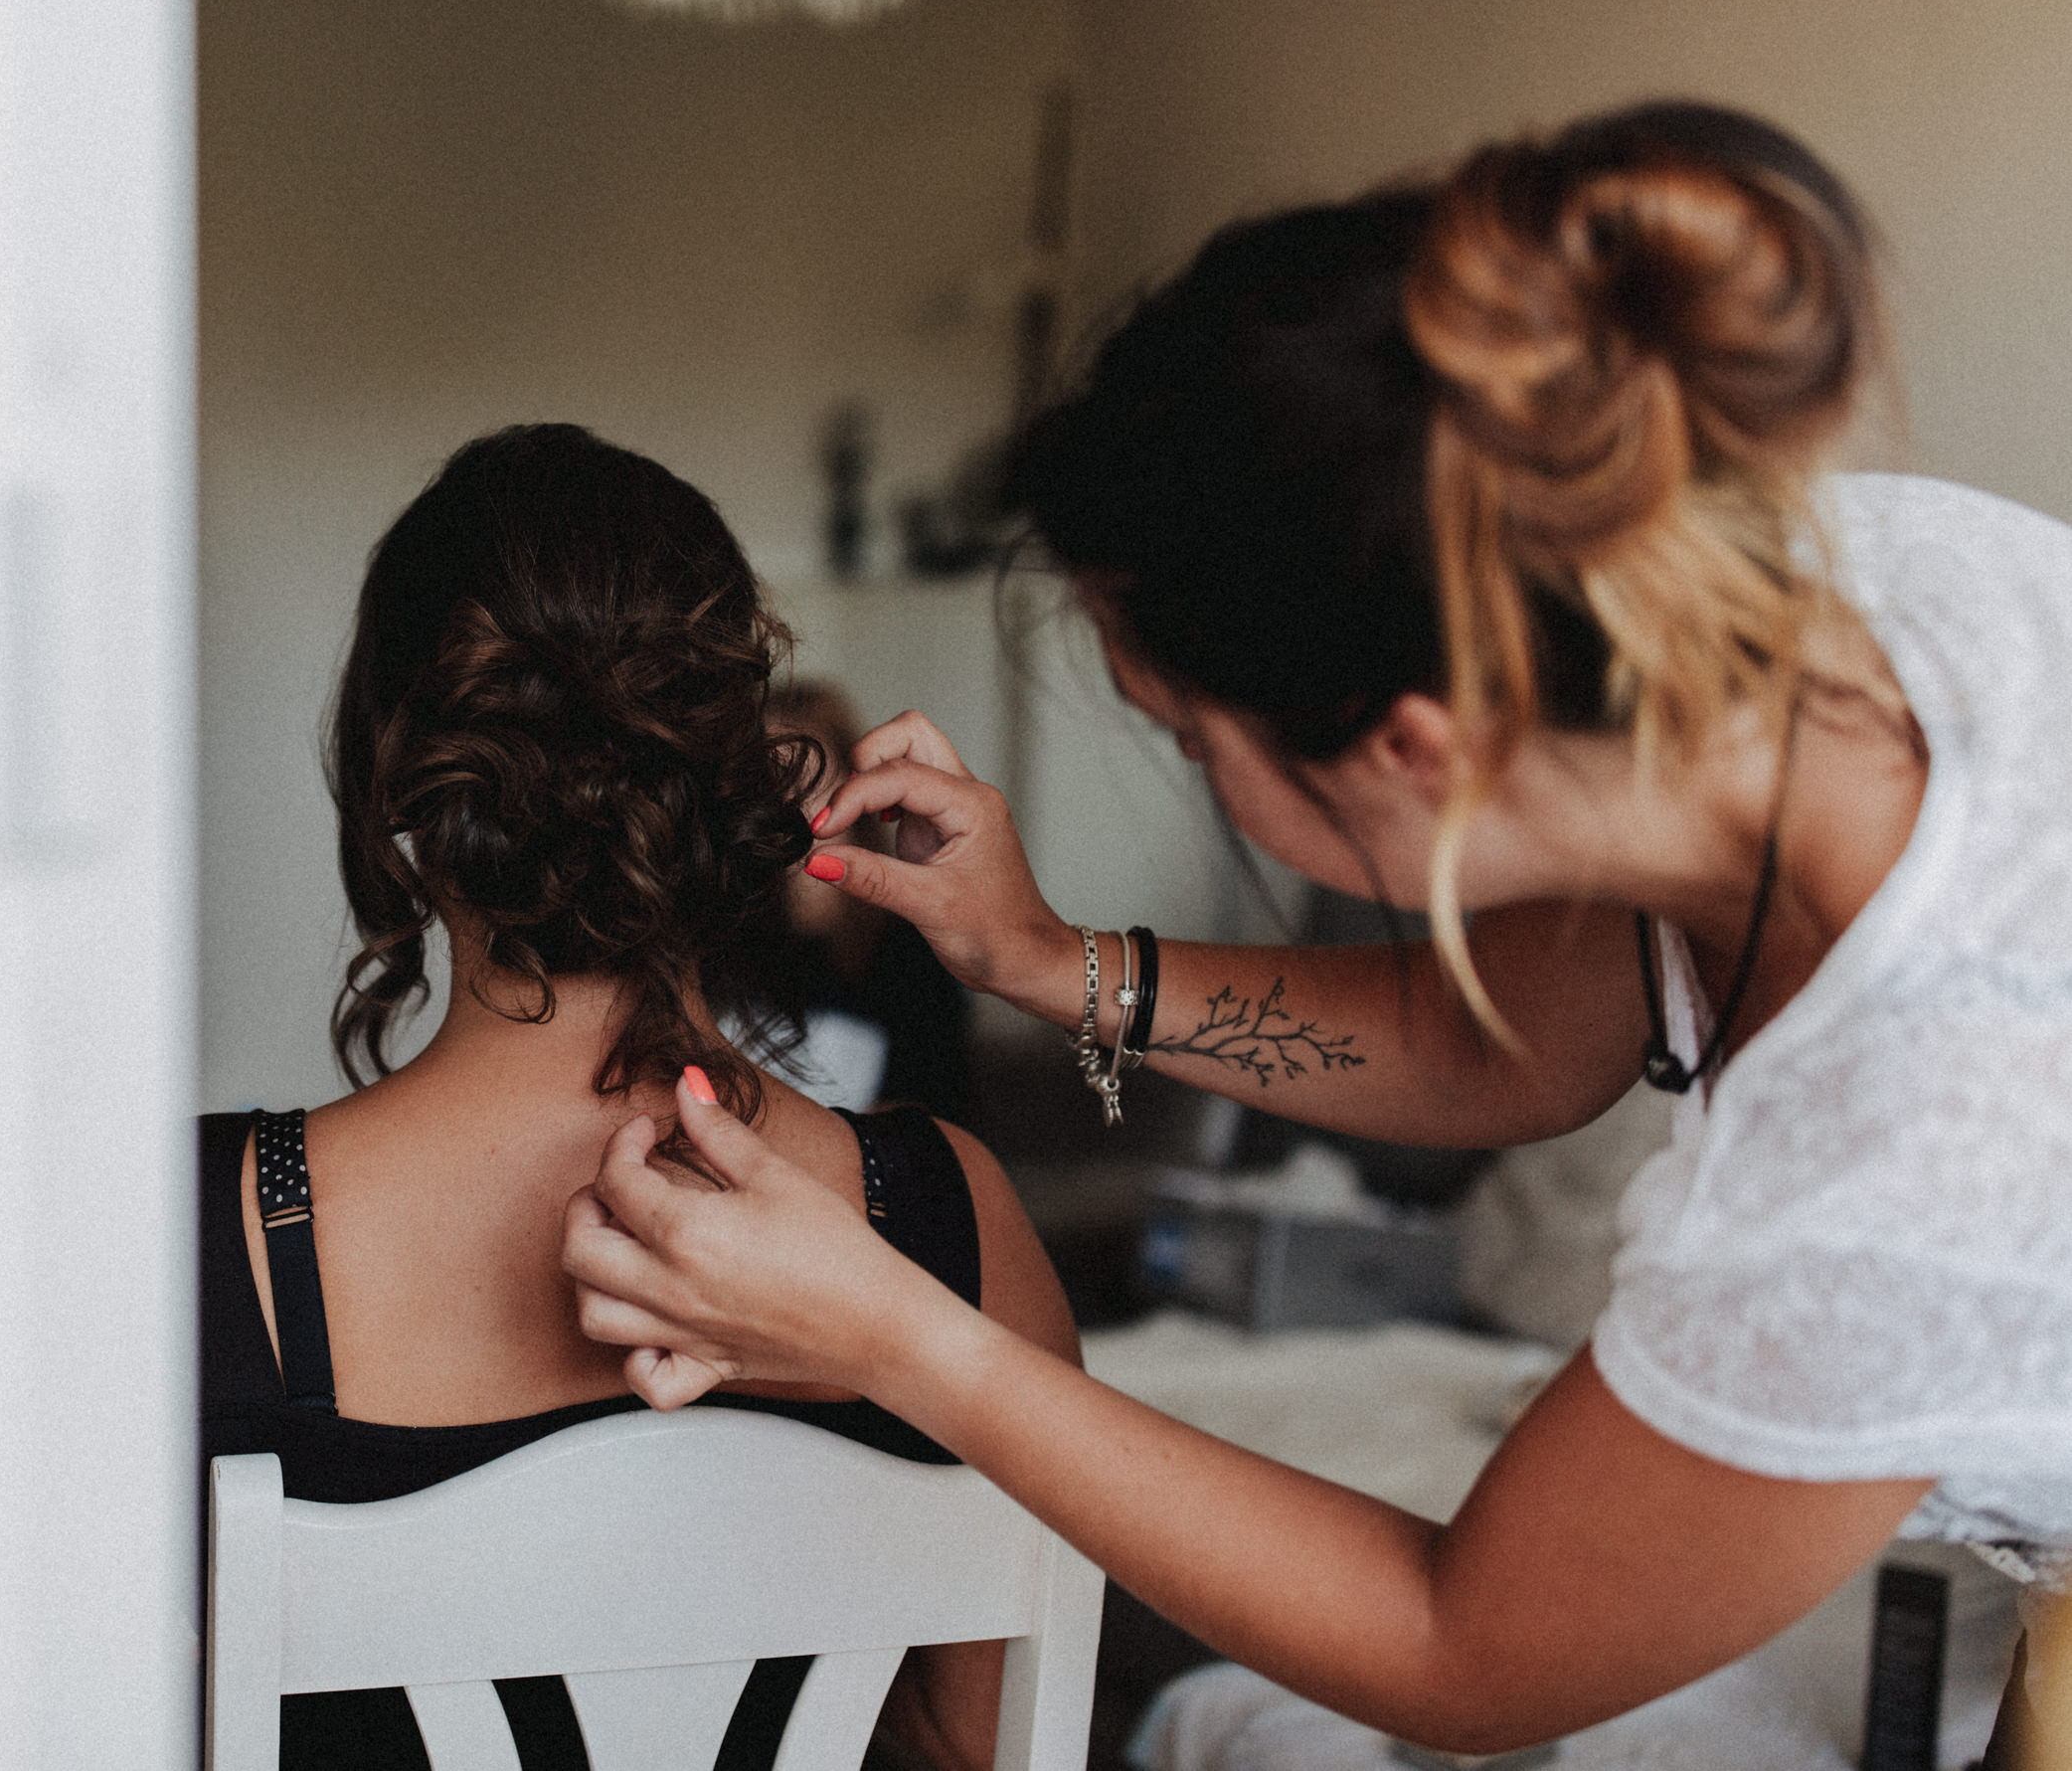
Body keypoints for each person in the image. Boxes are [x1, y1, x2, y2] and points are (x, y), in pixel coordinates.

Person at [561, 104, 2072, 1760]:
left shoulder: (1911, 1149)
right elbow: (1487, 1037)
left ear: (1415, 747)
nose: (1195, 777)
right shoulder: (1774, 588)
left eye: (1193, 741)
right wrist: (1043, 954)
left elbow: (1458, 1641)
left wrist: (898, 1335)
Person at [199, 426, 1082, 1771]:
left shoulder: (206, 1246)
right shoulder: (948, 1219)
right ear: (728, 778)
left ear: (399, 770)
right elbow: (979, 1745)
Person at [757, 679, 977, 1118]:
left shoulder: (911, 953)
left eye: (800, 778)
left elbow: (940, 1121)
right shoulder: (714, 941)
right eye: (759, 781)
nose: (778, 803)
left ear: (852, 784)